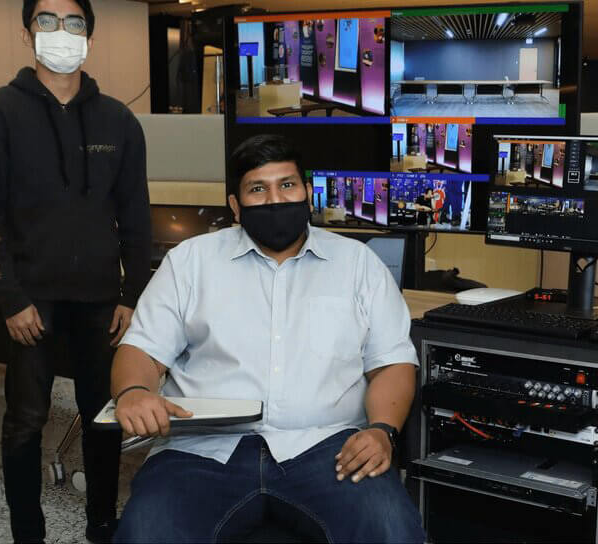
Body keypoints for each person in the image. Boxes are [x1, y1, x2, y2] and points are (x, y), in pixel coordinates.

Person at [110, 134, 425, 543]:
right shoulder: (190, 261)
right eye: (258, 189)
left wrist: (383, 430)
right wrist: (133, 390)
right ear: (236, 207)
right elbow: (142, 351)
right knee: (146, 532)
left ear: (308, 194)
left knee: (392, 530)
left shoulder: (358, 264)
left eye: (287, 185)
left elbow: (392, 363)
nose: (276, 199)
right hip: (203, 450)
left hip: (329, 447)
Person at [0, 0, 151, 543]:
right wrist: (9, 299)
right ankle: (28, 531)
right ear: (28, 34)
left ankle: (102, 521)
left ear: (88, 35)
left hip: (101, 298)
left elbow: (136, 215)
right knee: (25, 420)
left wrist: (132, 295)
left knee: (103, 417)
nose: (61, 33)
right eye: (47, 21)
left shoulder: (119, 120)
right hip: (32, 299)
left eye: (74, 23)